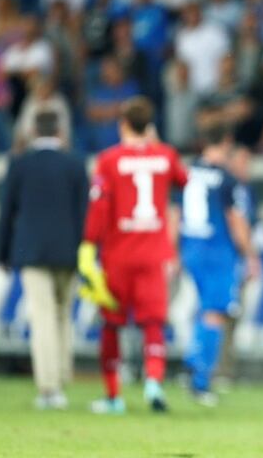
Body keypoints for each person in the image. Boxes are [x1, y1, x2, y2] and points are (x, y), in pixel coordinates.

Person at [79, 97, 189, 414]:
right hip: (155, 254)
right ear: (150, 125)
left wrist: (88, 247)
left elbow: (98, 208)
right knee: (153, 324)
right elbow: (184, 181)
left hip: (118, 255)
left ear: (123, 124)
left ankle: (114, 397)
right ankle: (153, 382)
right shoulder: (166, 156)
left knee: (112, 325)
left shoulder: (108, 160)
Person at [0, 110, 87, 409]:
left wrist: (2, 254)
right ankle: (60, 377)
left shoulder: (20, 164)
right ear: (59, 131)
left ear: (34, 131)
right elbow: (84, 213)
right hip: (69, 252)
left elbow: (7, 212)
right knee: (63, 315)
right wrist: (87, 253)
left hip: (32, 252)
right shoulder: (75, 164)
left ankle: (49, 389)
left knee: (43, 316)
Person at [179, 124, 261, 406]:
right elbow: (236, 220)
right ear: (226, 141)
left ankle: (193, 360)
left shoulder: (188, 172)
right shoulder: (227, 179)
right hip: (217, 250)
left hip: (191, 247)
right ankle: (199, 376)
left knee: (205, 309)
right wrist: (251, 254)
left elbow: (173, 210)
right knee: (215, 312)